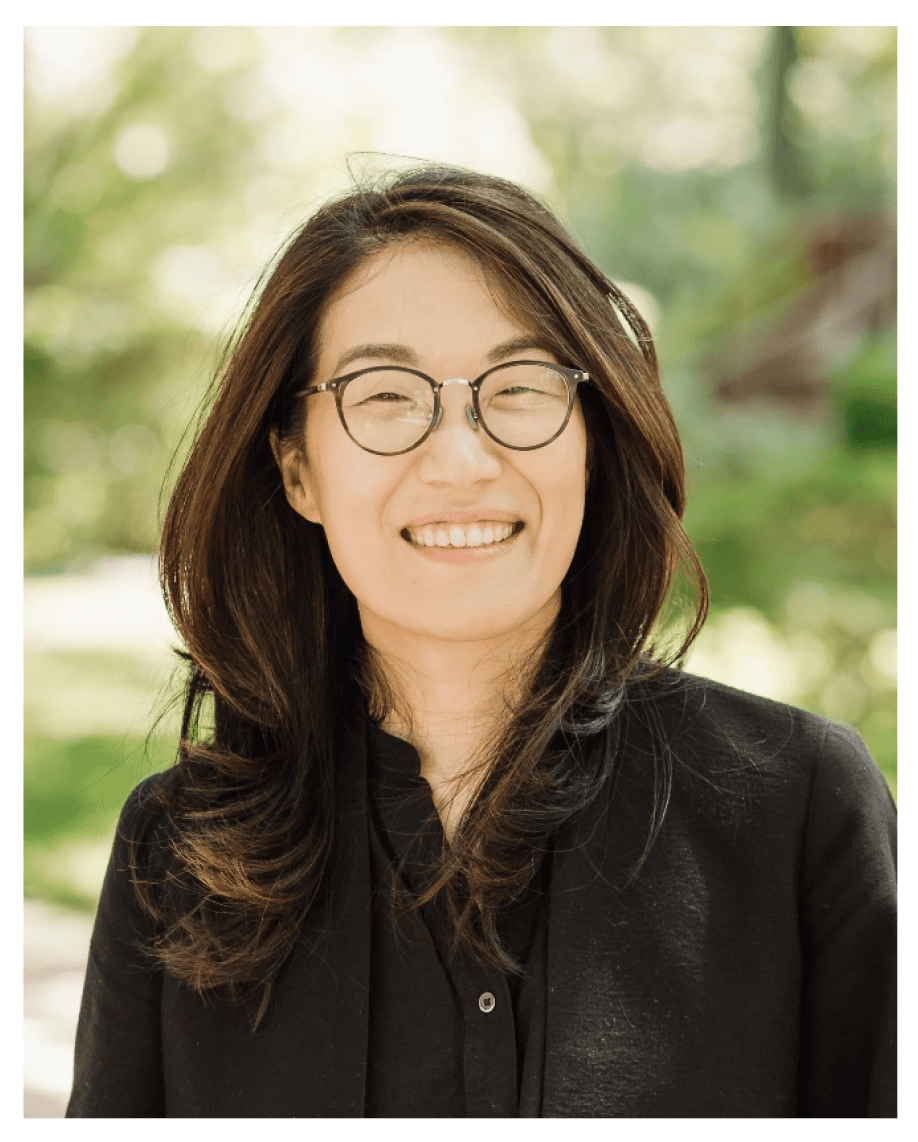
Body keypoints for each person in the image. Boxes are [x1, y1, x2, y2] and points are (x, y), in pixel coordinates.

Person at [67, 164, 896, 1118]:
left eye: (520, 385)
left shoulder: (800, 810)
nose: (462, 459)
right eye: (385, 395)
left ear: (592, 435)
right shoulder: (179, 854)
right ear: (297, 468)